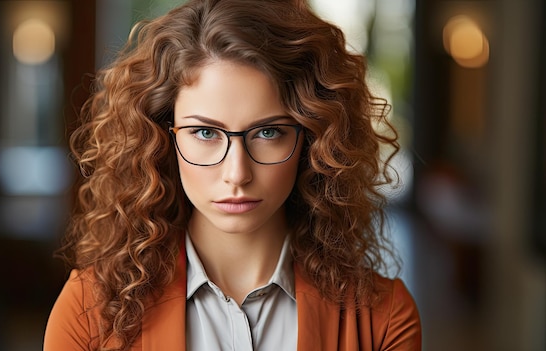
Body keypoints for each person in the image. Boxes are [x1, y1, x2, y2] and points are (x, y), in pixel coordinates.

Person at [43, 0, 422, 350]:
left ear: (313, 141)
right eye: (205, 133)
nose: (236, 173)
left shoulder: (383, 319)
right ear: (163, 137)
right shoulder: (87, 311)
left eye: (268, 132)